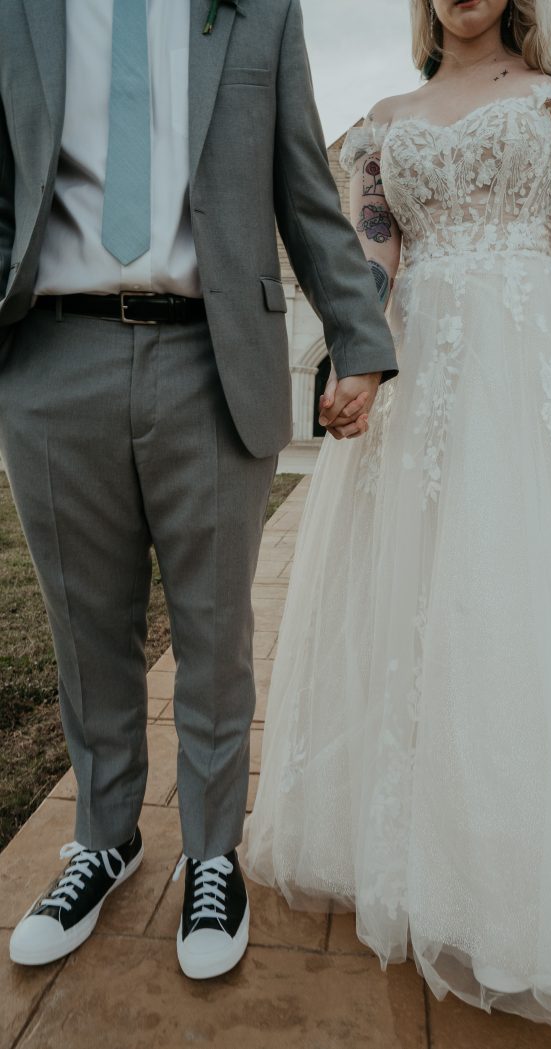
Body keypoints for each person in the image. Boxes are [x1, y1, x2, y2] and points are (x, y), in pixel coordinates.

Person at [241, 0, 551, 1043]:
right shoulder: (384, 122)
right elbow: (372, 267)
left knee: (520, 611)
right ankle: (424, 852)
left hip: (529, 378)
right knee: (415, 609)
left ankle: (527, 871)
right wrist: (355, 363)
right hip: (424, 396)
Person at [1, 0, 397, 980]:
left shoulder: (256, 10)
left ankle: (211, 853)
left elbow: (304, 186)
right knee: (88, 631)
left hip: (212, 357)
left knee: (213, 632)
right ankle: (105, 837)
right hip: (52, 353)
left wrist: (360, 336)